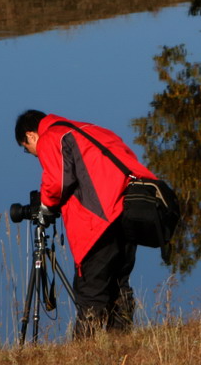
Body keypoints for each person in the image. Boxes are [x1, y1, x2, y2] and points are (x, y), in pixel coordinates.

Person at [15, 109, 156, 336]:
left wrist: (45, 205)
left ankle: (85, 352)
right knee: (118, 285)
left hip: (100, 222)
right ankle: (121, 346)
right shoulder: (91, 130)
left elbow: (57, 181)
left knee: (90, 291)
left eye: (28, 149)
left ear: (30, 135)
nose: (34, 154)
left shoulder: (53, 136)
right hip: (129, 213)